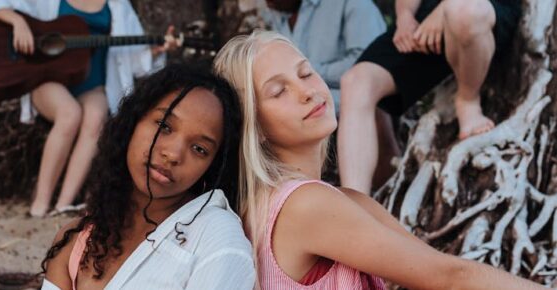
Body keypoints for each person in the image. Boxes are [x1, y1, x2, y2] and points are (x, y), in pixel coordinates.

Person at [214, 30, 543, 290]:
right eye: (278, 91)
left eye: (305, 73)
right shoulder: (303, 205)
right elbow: (449, 276)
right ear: (253, 127)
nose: (307, 91)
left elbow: (431, 266)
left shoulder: (337, 199)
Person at [38, 63, 254, 290]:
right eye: (164, 126)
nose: (172, 154)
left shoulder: (217, 239)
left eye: (199, 149)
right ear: (133, 121)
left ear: (212, 165)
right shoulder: (74, 243)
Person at [0, 0, 178, 216]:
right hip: (47, 79)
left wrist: (157, 51)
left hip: (93, 84)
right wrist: (17, 22)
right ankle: (40, 203)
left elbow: (137, 62)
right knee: (69, 114)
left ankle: (64, 204)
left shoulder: (119, 5)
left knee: (96, 117)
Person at [337, 0, 522, 194]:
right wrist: (405, 17)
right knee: (356, 82)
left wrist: (445, 8)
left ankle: (468, 100)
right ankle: (355, 199)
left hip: (481, 13)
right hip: (426, 22)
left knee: (463, 11)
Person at [258, 0, 385, 113]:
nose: (267, 2)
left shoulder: (352, 4)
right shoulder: (277, 12)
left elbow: (369, 67)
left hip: (355, 111)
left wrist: (307, 73)